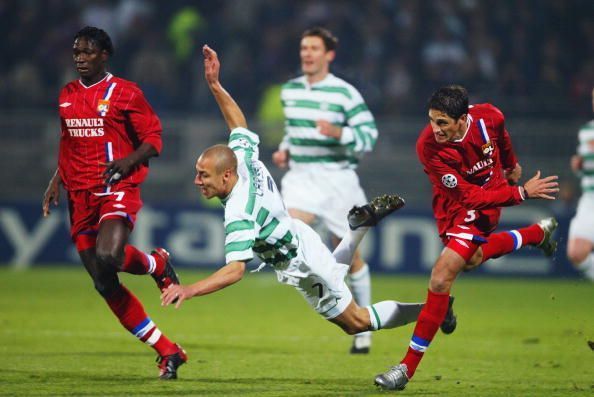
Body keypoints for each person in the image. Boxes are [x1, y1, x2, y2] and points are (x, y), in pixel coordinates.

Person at [160, 45, 457, 347]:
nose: (197, 181)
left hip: (300, 265)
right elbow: (238, 124)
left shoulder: (239, 208)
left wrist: (189, 290)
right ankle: (357, 230)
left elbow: (235, 270)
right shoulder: (243, 159)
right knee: (338, 275)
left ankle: (433, 308)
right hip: (299, 235)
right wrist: (214, 84)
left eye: (203, 175)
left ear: (226, 175)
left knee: (356, 322)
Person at [374, 85, 560, 391]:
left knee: (440, 278)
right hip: (454, 203)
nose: (435, 129)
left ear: (463, 119)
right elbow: (465, 195)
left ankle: (405, 369)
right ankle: (537, 233)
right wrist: (522, 192)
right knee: (470, 259)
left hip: (485, 203)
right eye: (432, 120)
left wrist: (511, 167)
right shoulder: (427, 146)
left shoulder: (490, 117)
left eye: (443, 122)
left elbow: (502, 139)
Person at [41, 26, 186, 380]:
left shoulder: (126, 93)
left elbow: (153, 138)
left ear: (104, 55)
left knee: (109, 255)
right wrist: (56, 178)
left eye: (87, 51)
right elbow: (68, 142)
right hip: (80, 193)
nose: (79, 57)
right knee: (104, 283)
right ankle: (168, 350)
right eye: (76, 51)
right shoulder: (67, 95)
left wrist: (129, 160)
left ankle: (156, 264)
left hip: (116, 185)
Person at [272, 27, 379, 354]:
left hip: (337, 180)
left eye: (314, 48)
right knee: (287, 232)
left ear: (328, 55)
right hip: (301, 177)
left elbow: (369, 135)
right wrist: (284, 149)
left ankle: (364, 327)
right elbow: (293, 131)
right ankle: (326, 290)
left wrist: (339, 133)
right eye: (304, 47)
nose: (307, 53)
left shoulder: (344, 94)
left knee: (351, 254)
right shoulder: (289, 91)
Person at [567, 87, 594, 281]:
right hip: (590, 199)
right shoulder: (587, 131)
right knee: (576, 252)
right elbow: (584, 166)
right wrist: (578, 165)